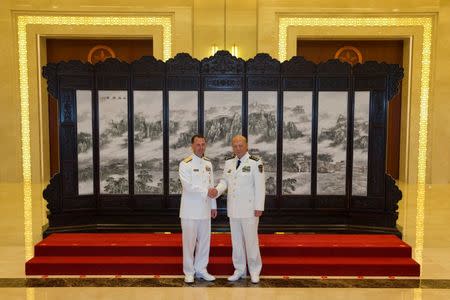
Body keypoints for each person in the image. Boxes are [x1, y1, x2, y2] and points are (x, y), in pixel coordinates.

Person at [208, 135, 265, 284]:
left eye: (240, 145)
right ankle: (239, 270)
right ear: (232, 147)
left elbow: (260, 186)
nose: (238, 148)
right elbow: (225, 182)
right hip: (233, 209)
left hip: (249, 210)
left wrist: (259, 206)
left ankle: (254, 270)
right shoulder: (229, 163)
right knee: (237, 242)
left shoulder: (255, 162)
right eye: (235, 146)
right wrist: (216, 191)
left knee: (251, 242)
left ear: (246, 146)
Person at [179, 134, 218, 283]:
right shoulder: (185, 164)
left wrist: (213, 205)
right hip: (189, 210)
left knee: (204, 242)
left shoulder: (208, 164)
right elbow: (188, 186)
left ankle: (201, 269)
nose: (201, 147)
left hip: (205, 209)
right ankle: (189, 271)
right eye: (198, 144)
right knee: (189, 243)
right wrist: (206, 192)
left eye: (203, 144)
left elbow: (211, 185)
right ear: (192, 146)